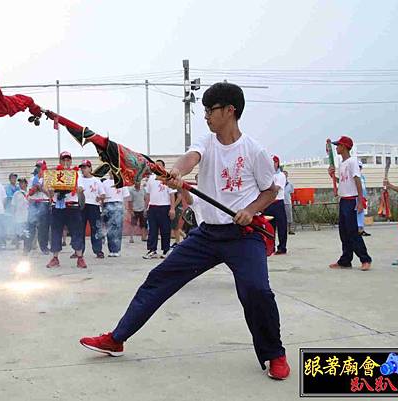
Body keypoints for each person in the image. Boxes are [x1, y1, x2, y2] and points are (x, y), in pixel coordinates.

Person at [80, 82, 290, 380]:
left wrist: (251, 210)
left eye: (210, 109)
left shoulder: (254, 151)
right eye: (204, 110)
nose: (206, 115)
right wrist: (177, 173)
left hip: (244, 236)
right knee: (159, 278)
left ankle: (275, 354)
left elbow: (270, 191)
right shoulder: (207, 141)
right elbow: (190, 159)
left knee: (256, 291)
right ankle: (117, 338)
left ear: (230, 111)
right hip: (207, 235)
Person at [328, 136, 372, 271]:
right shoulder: (342, 163)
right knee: (343, 232)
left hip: (351, 200)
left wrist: (359, 201)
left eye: (338, 145)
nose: (336, 148)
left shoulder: (353, 162)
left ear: (345, 146)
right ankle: (345, 260)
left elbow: (357, 180)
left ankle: (365, 259)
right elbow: (344, 181)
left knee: (352, 232)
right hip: (343, 200)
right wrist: (332, 177)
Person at [46, 151, 86, 268]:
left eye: (68, 160)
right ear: (60, 161)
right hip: (57, 207)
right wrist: (50, 191)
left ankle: (80, 257)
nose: (66, 162)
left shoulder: (77, 176)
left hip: (72, 207)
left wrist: (80, 192)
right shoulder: (54, 174)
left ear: (71, 161)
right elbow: (49, 193)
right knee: (55, 232)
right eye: (63, 160)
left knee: (77, 232)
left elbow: (82, 197)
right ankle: (55, 258)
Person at [143, 160, 176, 259]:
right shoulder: (151, 179)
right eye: (156, 166)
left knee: (165, 230)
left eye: (159, 165)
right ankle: (152, 250)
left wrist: (172, 209)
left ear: (163, 167)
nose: (157, 167)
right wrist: (146, 207)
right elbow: (148, 194)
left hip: (165, 207)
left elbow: (172, 194)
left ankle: (166, 250)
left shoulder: (168, 177)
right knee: (152, 230)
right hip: (153, 207)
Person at [78, 160, 105, 258]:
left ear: (90, 168)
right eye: (82, 168)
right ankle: (79, 250)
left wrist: (100, 197)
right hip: (81, 206)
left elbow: (103, 194)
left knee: (96, 229)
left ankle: (98, 250)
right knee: (80, 229)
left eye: (85, 167)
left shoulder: (96, 180)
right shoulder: (79, 179)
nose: (83, 170)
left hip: (94, 206)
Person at [263, 156, 288, 255]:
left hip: (278, 203)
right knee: (269, 227)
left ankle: (282, 247)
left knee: (281, 226)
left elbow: (276, 189)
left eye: (272, 162)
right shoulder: (268, 175)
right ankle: (270, 247)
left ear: (277, 163)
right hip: (268, 203)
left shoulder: (281, 175)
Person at [102, 172, 130, 257]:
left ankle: (117, 249)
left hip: (118, 204)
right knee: (109, 229)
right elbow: (102, 195)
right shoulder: (105, 183)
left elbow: (126, 197)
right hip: (108, 204)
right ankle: (111, 250)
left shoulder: (122, 182)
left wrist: (127, 209)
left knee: (117, 228)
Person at [27, 161, 51, 255]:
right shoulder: (32, 178)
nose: (39, 169)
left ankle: (44, 247)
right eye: (37, 167)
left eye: (40, 167)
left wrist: (40, 188)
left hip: (44, 203)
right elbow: (30, 192)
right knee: (30, 226)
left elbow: (50, 194)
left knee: (43, 228)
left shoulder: (48, 179)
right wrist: (35, 187)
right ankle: (27, 247)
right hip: (33, 203)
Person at [11, 178, 30, 251]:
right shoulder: (16, 193)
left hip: (28, 215)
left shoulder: (30, 192)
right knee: (19, 232)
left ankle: (27, 246)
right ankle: (17, 245)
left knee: (27, 232)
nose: (21, 184)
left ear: (26, 184)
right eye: (20, 183)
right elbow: (13, 205)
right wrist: (13, 215)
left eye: (22, 183)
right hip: (19, 215)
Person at [356, 162, 370, 237]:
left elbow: (364, 187)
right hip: (357, 197)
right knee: (358, 213)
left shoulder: (362, 177)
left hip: (363, 197)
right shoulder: (355, 177)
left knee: (362, 214)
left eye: (360, 167)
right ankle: (358, 229)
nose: (359, 168)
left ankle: (361, 229)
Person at [283, 171, 295, 235]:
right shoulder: (279, 183)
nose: (284, 176)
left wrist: (292, 202)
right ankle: (282, 230)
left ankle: (290, 229)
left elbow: (292, 193)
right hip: (280, 202)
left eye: (285, 175)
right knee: (281, 217)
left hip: (288, 202)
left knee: (289, 216)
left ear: (287, 176)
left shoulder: (290, 184)